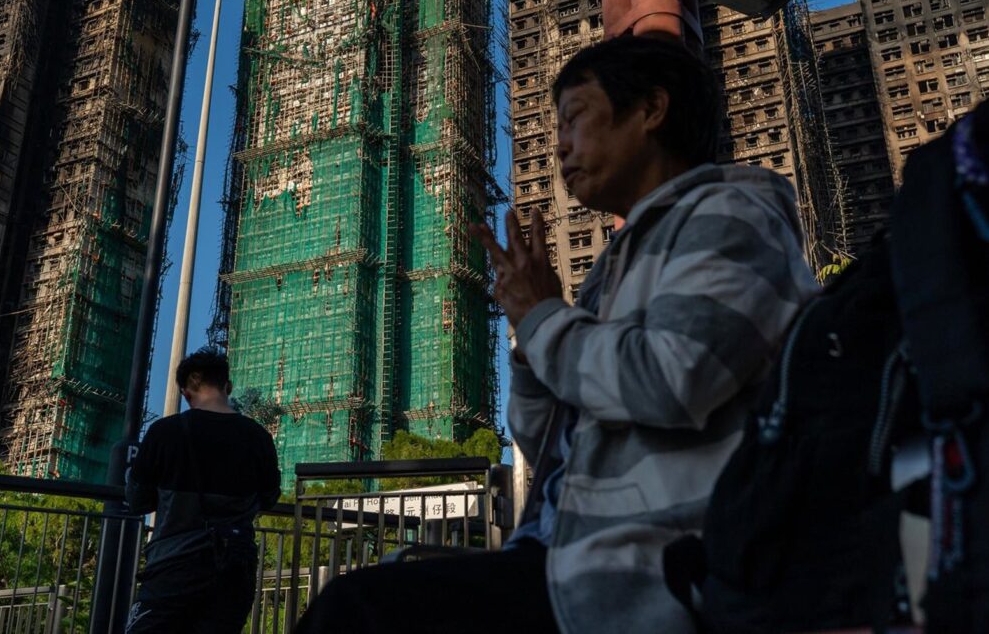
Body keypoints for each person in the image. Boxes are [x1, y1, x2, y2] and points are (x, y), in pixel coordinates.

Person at [293, 35, 818, 634]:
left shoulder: (728, 215)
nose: (561, 145)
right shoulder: (616, 263)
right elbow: (546, 442)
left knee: (355, 612)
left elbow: (674, 377)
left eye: (575, 118)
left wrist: (545, 318)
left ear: (651, 109)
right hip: (559, 557)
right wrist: (528, 327)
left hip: (646, 572)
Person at [125, 346, 281, 634]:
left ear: (185, 392)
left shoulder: (164, 433)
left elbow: (137, 500)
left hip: (173, 564)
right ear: (228, 386)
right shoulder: (258, 437)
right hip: (234, 567)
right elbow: (269, 496)